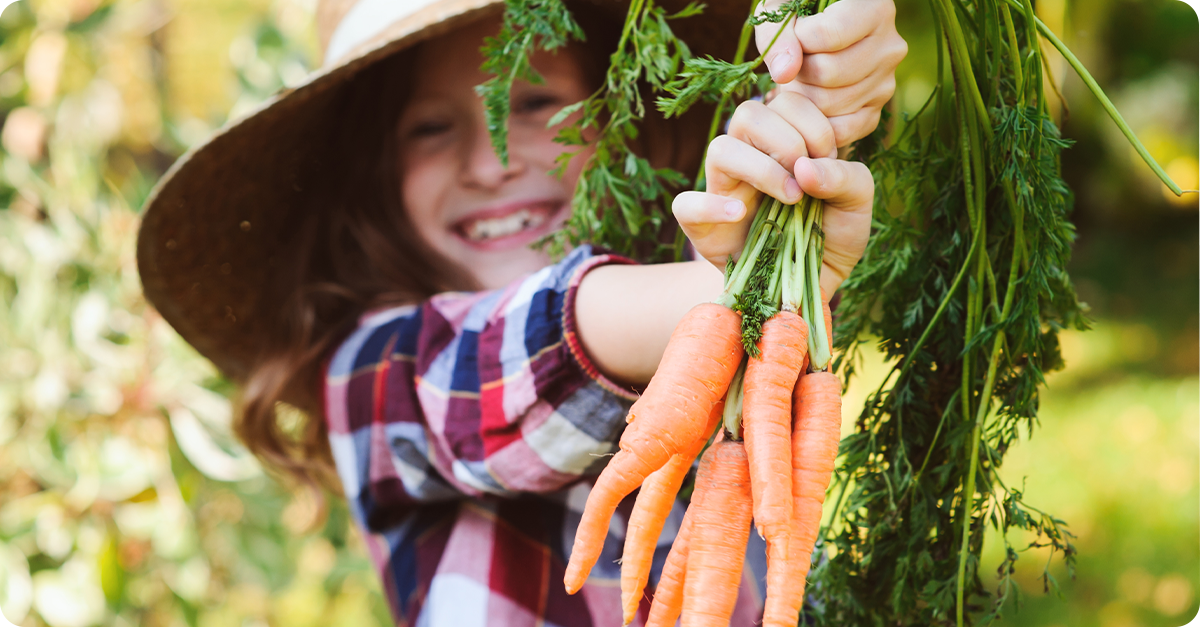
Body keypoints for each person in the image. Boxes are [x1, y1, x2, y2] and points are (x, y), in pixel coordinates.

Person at [136, 0, 906, 624]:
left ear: (621, 124)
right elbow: (528, 350)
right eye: (431, 128)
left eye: (534, 102)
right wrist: (723, 295)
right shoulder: (375, 373)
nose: (491, 160)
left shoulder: (719, 365)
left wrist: (818, 91)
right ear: (373, 182)